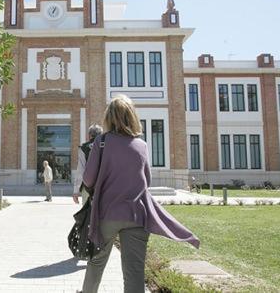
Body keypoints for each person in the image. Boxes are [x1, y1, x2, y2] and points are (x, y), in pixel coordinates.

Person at [80, 95, 200, 293]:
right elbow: (146, 181)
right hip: (136, 215)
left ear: (109, 117)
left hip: (107, 214)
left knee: (96, 264)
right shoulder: (142, 146)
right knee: (134, 272)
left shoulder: (101, 142)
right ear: (132, 116)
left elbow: (88, 180)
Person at [73, 124, 103, 205]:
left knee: (87, 214)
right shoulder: (107, 146)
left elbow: (80, 170)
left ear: (89, 135)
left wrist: (76, 191)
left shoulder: (84, 148)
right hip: (104, 187)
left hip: (87, 187)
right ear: (101, 134)